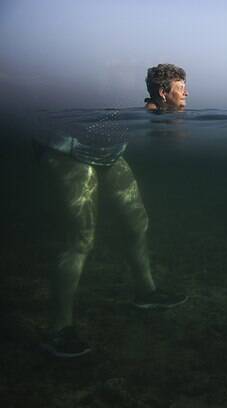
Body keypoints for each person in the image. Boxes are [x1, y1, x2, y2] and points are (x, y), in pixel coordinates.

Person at [37, 63, 189, 358]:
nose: (187, 94)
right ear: (163, 92)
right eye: (182, 89)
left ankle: (146, 293)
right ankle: (58, 329)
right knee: (81, 239)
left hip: (108, 154)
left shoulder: (158, 114)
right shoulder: (143, 114)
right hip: (70, 151)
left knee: (137, 222)